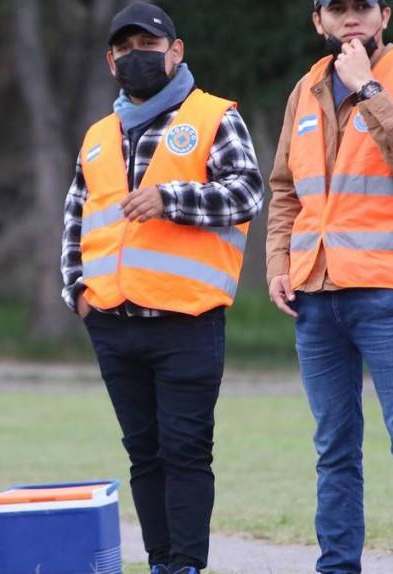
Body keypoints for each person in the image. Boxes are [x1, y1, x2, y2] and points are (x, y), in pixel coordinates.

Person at [61, 4, 263, 573]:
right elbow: (76, 214)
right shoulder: (99, 136)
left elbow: (247, 193)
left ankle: (186, 566)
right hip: (112, 322)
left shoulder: (213, 116)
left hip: (188, 322)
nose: (136, 55)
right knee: (143, 456)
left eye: (148, 44)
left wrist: (171, 198)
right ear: (110, 61)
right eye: (124, 48)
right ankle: (161, 563)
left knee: (186, 451)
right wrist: (75, 288)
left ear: (176, 51)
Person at [265, 1, 393, 572]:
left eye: (363, 7)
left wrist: (368, 89)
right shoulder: (305, 89)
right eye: (337, 9)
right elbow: (284, 189)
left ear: (385, 16)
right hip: (314, 295)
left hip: (389, 292)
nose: (352, 19)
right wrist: (278, 261)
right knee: (334, 449)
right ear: (317, 20)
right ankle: (337, 566)